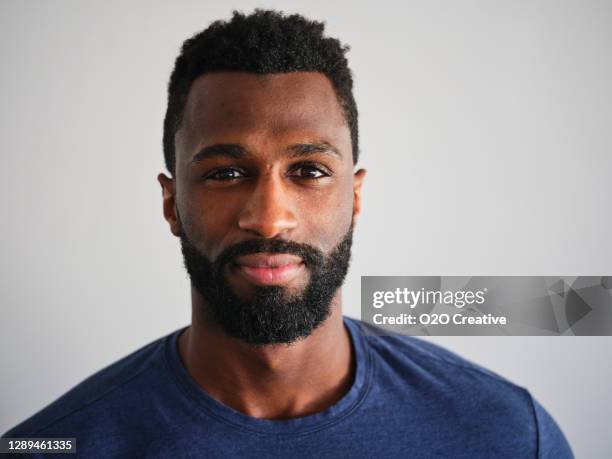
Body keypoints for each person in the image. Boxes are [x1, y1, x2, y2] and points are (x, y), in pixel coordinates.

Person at [3, 9, 573, 458]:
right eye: (226, 173)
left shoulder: (506, 433)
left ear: (354, 195)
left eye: (309, 171)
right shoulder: (55, 445)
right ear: (173, 203)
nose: (270, 217)